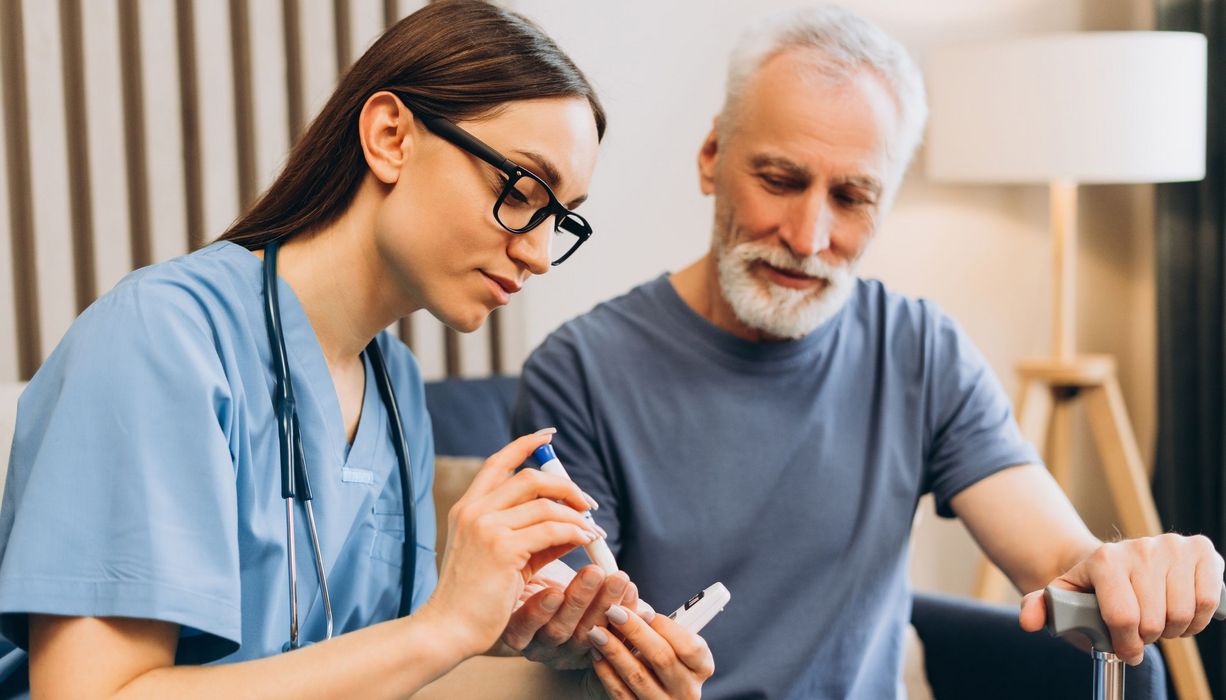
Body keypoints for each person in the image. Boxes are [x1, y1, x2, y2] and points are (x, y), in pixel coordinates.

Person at [512, 5, 1226, 698]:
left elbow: (1059, 562)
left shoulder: (921, 350)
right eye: (780, 180)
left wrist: (1129, 572)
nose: (808, 236)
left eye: (852, 197)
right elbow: (570, 639)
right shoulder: (577, 373)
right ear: (711, 157)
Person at [0, 2, 712, 697]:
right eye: (522, 190)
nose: (536, 254)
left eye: (560, 222)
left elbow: (379, 676)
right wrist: (440, 629)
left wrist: (585, 677)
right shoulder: (161, 340)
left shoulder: (394, 386)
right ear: (391, 136)